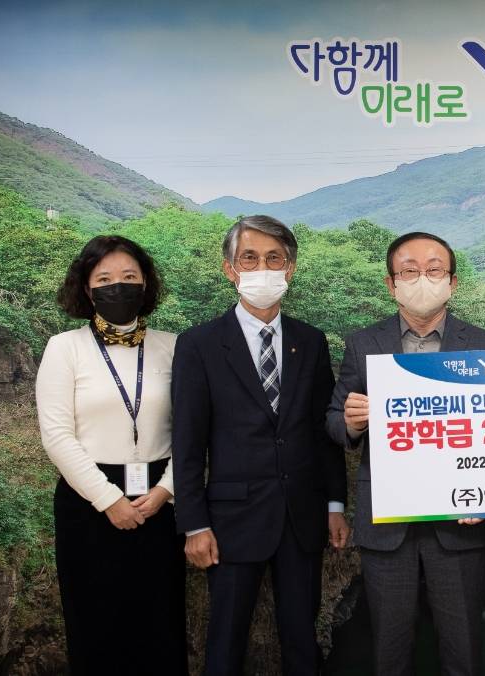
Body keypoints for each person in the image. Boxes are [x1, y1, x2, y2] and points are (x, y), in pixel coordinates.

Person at [171, 215, 349, 675]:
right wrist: (193, 525)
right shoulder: (198, 344)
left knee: (302, 639)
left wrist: (334, 504)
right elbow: (187, 443)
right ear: (230, 268)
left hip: (302, 516)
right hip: (231, 520)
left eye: (274, 258)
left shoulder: (311, 341)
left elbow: (321, 432)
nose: (262, 268)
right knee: (225, 643)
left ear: (290, 268)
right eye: (249, 258)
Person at [327, 232, 485, 676]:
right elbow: (333, 421)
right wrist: (353, 420)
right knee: (390, 651)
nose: (422, 279)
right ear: (391, 284)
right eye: (409, 271)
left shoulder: (484, 343)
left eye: (434, 270)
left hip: (461, 522)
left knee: (463, 650)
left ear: (452, 281)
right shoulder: (363, 343)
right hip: (388, 524)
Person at [36, 235, 187, 674]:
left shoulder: (174, 346)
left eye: (128, 276)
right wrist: (108, 499)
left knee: (160, 626)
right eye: (104, 279)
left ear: (146, 283)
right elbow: (57, 436)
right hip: (89, 502)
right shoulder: (64, 348)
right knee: (96, 627)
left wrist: (167, 489)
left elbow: (194, 431)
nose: (117, 286)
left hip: (160, 499)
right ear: (86, 288)